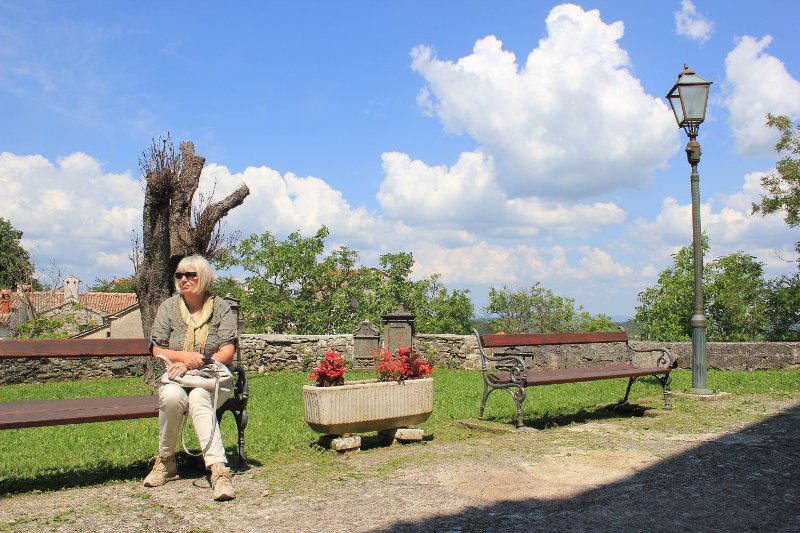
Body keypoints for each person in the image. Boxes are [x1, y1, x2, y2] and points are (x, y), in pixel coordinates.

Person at [143, 254, 238, 501]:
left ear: (203, 277)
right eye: (180, 275)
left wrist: (197, 362)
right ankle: (165, 462)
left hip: (211, 378)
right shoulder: (169, 308)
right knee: (172, 397)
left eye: (191, 275)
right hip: (178, 378)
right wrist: (185, 358)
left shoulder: (221, 307)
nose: (184, 279)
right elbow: (157, 349)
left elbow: (227, 351)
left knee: (198, 397)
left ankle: (219, 471)